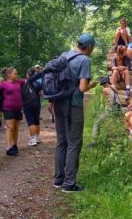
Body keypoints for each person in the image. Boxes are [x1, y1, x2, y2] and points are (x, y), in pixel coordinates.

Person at [52, 34, 98, 192]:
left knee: (61, 142)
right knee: (74, 143)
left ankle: (58, 180)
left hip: (58, 103)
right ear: (90, 47)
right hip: (73, 106)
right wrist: (92, 85)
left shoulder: (64, 55)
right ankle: (69, 184)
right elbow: (82, 88)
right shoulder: (84, 60)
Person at [0, 67, 25, 156]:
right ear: (9, 74)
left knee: (16, 128)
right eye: (15, 73)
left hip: (18, 109)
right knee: (10, 127)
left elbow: (29, 80)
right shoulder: (3, 84)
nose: (17, 75)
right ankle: (8, 147)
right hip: (8, 108)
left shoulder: (19, 82)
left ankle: (14, 145)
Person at [23, 67, 42, 146]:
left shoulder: (23, 83)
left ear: (27, 75)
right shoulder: (38, 83)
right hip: (37, 103)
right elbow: (41, 93)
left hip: (27, 104)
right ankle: (37, 138)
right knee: (36, 121)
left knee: (30, 122)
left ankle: (33, 139)